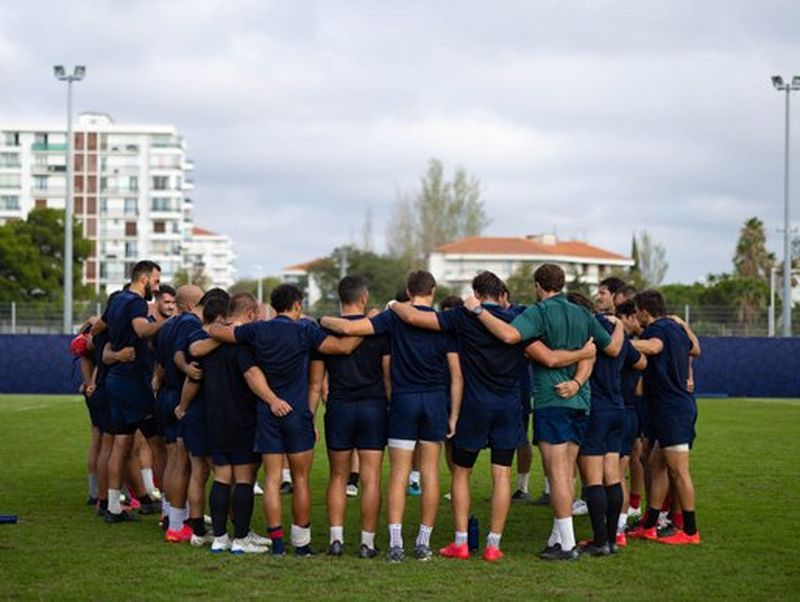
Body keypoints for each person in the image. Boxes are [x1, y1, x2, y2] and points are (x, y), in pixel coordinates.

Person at [391, 271, 593, 561]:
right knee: (502, 475)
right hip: (508, 407)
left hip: (473, 406)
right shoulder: (519, 319)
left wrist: (394, 305)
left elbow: (416, 319)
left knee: (461, 473)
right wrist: (584, 353)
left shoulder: (462, 316)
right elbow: (548, 354)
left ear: (476, 292)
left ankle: (461, 542)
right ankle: (493, 545)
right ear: (502, 295)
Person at [463, 264, 624, 561]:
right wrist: (614, 334)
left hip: (552, 401)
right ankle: (558, 537)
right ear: (562, 284)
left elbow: (511, 336)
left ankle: (566, 545)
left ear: (539, 285)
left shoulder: (539, 311)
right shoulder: (583, 313)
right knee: (567, 472)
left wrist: (478, 311)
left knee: (557, 473)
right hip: (582, 401)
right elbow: (611, 349)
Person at [209, 283, 363, 556]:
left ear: (273, 305)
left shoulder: (258, 329)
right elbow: (342, 347)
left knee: (271, 479)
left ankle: (278, 544)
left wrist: (219, 328)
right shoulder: (305, 330)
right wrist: (370, 324)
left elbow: (219, 332)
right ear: (298, 305)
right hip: (297, 413)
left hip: (267, 413)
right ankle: (301, 544)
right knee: (301, 479)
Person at [320, 271, 462, 563]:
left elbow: (351, 330)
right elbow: (457, 375)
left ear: (408, 291)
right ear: (432, 292)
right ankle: (423, 542)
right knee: (431, 472)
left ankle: (395, 542)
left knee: (399, 472)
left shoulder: (393, 318)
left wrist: (323, 320)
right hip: (435, 399)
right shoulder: (445, 322)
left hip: (403, 400)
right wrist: (454, 414)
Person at [309, 276, 391, 558]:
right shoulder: (379, 330)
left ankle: (336, 539)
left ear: (340, 298)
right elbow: (387, 374)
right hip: (373, 406)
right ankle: (367, 543)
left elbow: (317, 382)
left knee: (338, 476)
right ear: (364, 297)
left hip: (340, 407)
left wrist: (311, 416)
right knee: (370, 478)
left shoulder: (324, 331)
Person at [185, 292, 271, 554]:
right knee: (244, 479)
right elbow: (253, 377)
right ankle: (241, 539)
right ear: (251, 313)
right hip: (243, 416)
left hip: (215, 417)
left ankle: (221, 537)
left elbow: (193, 357)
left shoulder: (211, 341)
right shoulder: (244, 344)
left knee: (222, 477)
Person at [569, 292, 646, 556]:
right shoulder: (615, 330)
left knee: (593, 481)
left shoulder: (584, 331)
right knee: (613, 477)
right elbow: (641, 361)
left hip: (596, 410)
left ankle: (600, 540)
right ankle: (612, 539)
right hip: (618, 409)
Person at [628, 291, 702, 545]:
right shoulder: (676, 328)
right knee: (655, 466)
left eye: (637, 310)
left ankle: (690, 532)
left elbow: (654, 347)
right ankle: (649, 525)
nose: (636, 315)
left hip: (673, 410)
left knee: (679, 471)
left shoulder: (656, 330)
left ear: (644, 310)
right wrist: (683, 324)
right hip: (671, 408)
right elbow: (696, 349)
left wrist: (616, 342)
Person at [95, 260, 166, 523]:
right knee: (158, 444)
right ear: (144, 279)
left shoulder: (116, 300)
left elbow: (99, 328)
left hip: (114, 380)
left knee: (120, 443)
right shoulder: (136, 302)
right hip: (133, 382)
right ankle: (172, 509)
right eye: (156, 282)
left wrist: (107, 348)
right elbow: (142, 329)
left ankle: (113, 508)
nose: (156, 289)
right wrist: (169, 322)